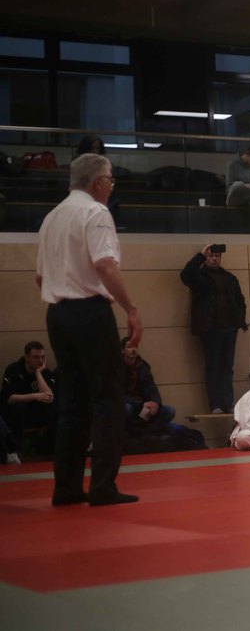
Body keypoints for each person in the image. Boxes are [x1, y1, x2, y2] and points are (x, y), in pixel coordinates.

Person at [37, 152, 143, 506]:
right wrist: (131, 309)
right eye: (110, 179)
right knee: (108, 399)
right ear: (98, 182)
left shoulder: (52, 217)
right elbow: (105, 266)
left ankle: (66, 487)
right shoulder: (95, 212)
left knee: (73, 403)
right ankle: (102, 486)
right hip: (89, 312)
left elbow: (40, 277)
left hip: (57, 314)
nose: (112, 186)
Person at [180, 244, 248, 413]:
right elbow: (185, 275)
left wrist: (239, 320)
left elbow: (240, 301)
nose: (214, 258)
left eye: (217, 256)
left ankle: (228, 403)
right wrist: (200, 256)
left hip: (229, 329)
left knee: (227, 367)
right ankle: (215, 404)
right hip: (209, 329)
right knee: (213, 366)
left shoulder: (230, 278)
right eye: (211, 256)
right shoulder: (199, 276)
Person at [1, 341, 57, 457]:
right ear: (26, 357)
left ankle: (48, 447)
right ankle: (14, 450)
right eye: (36, 357)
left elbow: (49, 397)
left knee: (53, 407)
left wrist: (38, 373)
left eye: (42, 357)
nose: (40, 360)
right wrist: (35, 396)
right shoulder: (14, 370)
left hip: (38, 412)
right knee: (17, 408)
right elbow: (10, 398)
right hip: (18, 411)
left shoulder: (45, 372)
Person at [120, 337, 175, 426]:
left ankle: (147, 430)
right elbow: (118, 395)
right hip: (131, 405)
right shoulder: (117, 369)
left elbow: (152, 389)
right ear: (122, 350)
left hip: (144, 407)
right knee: (127, 408)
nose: (133, 350)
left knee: (170, 410)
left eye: (135, 346)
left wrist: (155, 403)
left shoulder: (143, 367)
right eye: (129, 347)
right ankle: (135, 431)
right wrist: (141, 404)